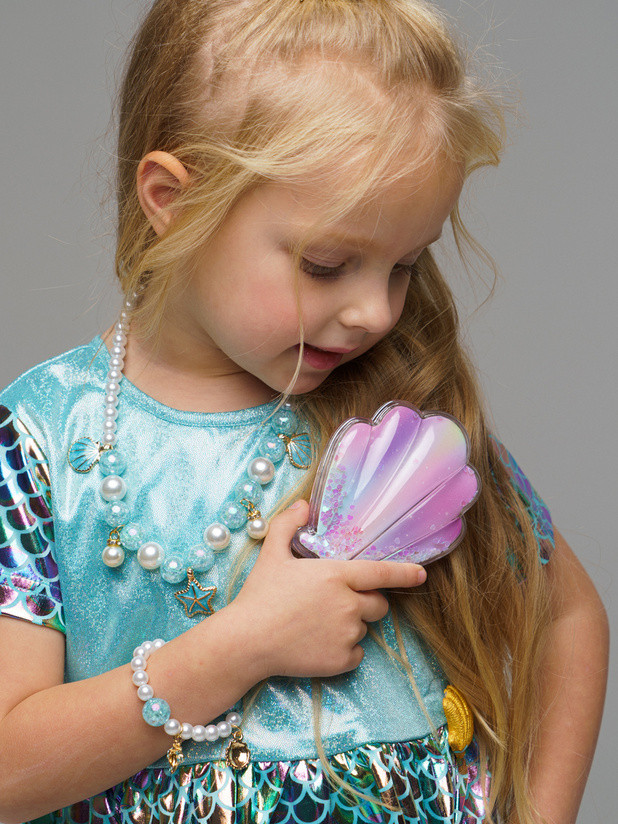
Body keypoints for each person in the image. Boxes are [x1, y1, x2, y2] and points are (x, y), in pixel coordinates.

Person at [0, 1, 608, 822]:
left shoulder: (390, 416)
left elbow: (568, 618)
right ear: (171, 200)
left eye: (404, 265)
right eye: (327, 264)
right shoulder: (41, 437)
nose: (377, 313)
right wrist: (239, 647)